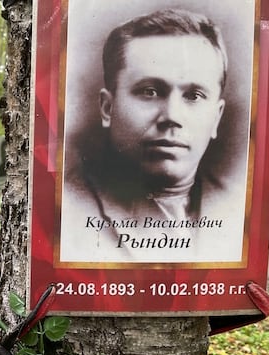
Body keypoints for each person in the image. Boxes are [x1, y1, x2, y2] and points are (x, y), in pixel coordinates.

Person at [61, 9, 245, 263]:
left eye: (193, 96)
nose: (171, 116)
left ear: (216, 117)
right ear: (107, 108)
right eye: (150, 91)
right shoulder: (66, 207)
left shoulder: (237, 207)